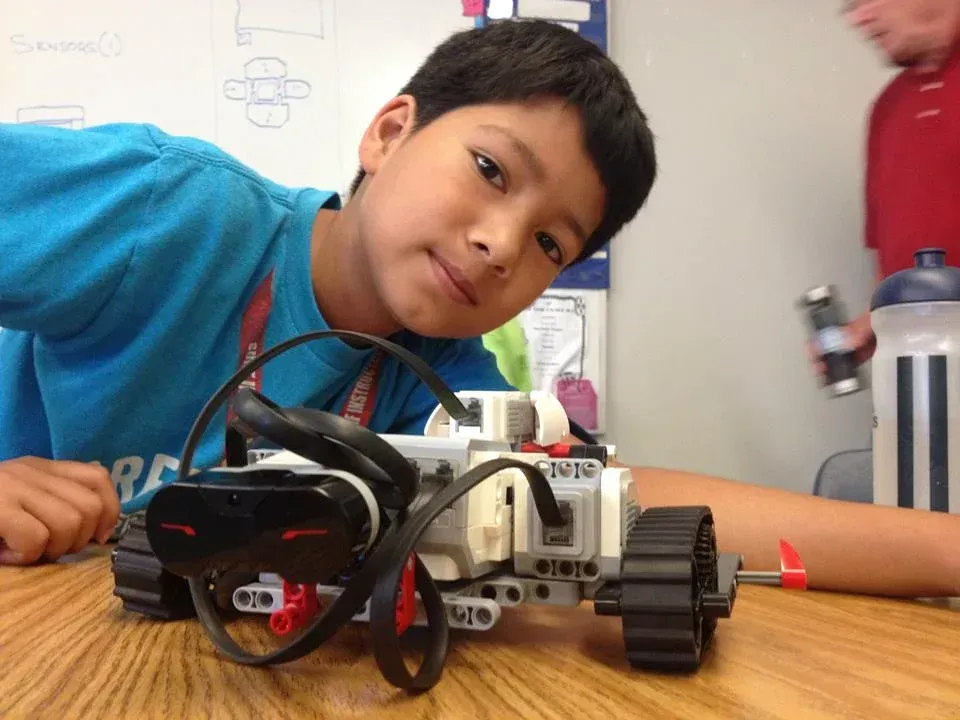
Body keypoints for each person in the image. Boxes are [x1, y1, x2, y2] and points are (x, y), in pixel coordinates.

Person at [0, 21, 957, 599]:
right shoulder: (169, 211)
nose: (503, 243)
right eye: (491, 171)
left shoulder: (443, 378)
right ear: (389, 132)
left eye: (552, 243)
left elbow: (623, 503)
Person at [811, 0, 960, 375]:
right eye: (853, 6)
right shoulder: (886, 111)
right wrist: (867, 329)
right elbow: (891, 266)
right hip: (916, 382)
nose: (859, 19)